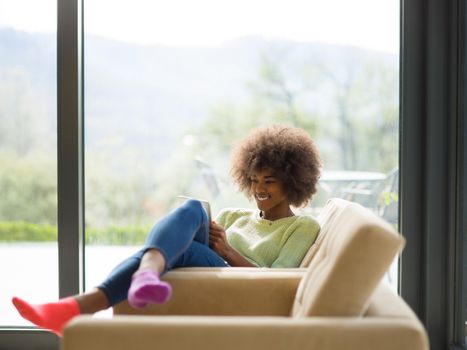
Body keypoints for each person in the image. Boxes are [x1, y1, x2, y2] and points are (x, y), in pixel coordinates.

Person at [11, 124, 322, 336]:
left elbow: (280, 280)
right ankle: (141, 275)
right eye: (254, 180)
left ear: (292, 181)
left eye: (269, 181)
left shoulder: (302, 226)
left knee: (178, 238)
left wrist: (227, 251)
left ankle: (79, 305)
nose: (259, 189)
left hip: (242, 280)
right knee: (193, 210)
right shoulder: (234, 215)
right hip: (210, 266)